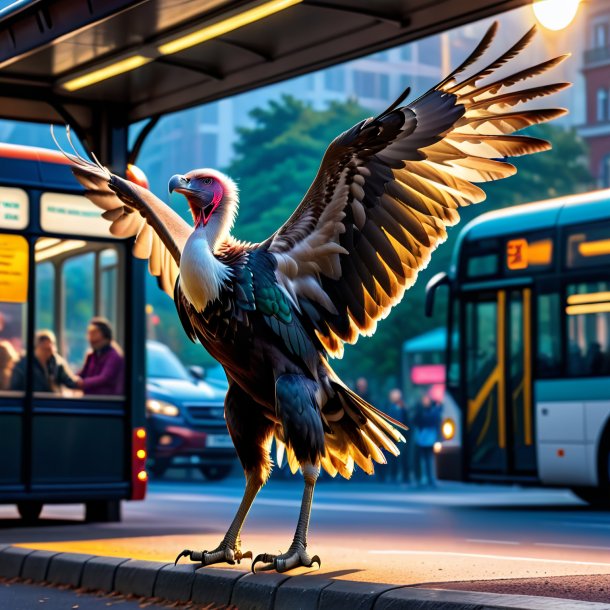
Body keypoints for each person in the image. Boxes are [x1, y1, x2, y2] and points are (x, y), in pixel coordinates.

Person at [10, 330, 79, 393]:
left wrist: (81, 383)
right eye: (44, 349)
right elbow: (15, 388)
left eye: (49, 349)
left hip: (52, 402)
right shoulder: (23, 365)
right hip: (31, 402)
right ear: (36, 348)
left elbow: (69, 381)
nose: (47, 353)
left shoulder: (57, 363)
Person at [78, 317, 124, 395]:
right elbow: (83, 374)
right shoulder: (92, 355)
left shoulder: (114, 356)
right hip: (91, 399)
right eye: (90, 334)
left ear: (105, 337)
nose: (91, 339)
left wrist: (82, 383)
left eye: (95, 334)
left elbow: (104, 378)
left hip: (107, 401)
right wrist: (72, 379)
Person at [413, 393, 442, 488]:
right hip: (422, 438)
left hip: (430, 439)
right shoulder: (419, 411)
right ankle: (424, 477)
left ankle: (431, 478)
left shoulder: (434, 411)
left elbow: (435, 422)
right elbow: (415, 421)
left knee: (430, 459)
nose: (425, 402)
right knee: (423, 460)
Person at [385, 388, 411, 484]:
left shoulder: (404, 408)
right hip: (392, 436)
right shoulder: (390, 407)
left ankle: (405, 476)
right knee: (393, 457)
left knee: (403, 457)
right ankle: (393, 475)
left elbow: (407, 422)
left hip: (401, 436)